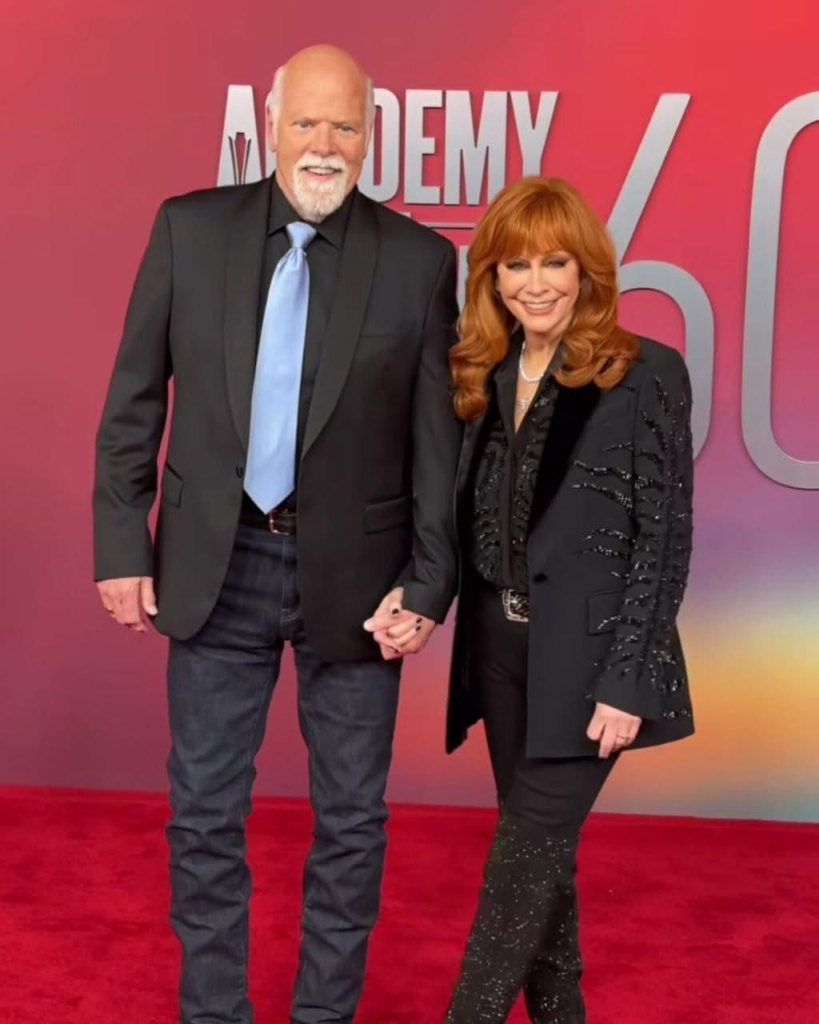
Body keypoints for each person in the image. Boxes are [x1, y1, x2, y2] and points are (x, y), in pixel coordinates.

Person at [92, 45, 461, 1024]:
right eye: (306, 122)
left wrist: (430, 582)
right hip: (216, 563)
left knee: (351, 822)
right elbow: (133, 402)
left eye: (344, 125)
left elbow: (438, 445)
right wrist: (123, 544)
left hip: (363, 579)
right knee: (203, 813)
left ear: (369, 136)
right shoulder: (189, 230)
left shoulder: (420, 262)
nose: (323, 144)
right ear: (269, 124)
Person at [370, 175, 695, 1023]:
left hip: (590, 667)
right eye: (515, 265)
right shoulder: (482, 373)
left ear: (586, 269)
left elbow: (662, 542)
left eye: (554, 262)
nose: (535, 283)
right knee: (542, 861)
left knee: (519, 867)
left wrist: (628, 678)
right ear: (491, 278)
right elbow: (467, 521)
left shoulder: (644, 374)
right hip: (499, 653)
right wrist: (418, 598)